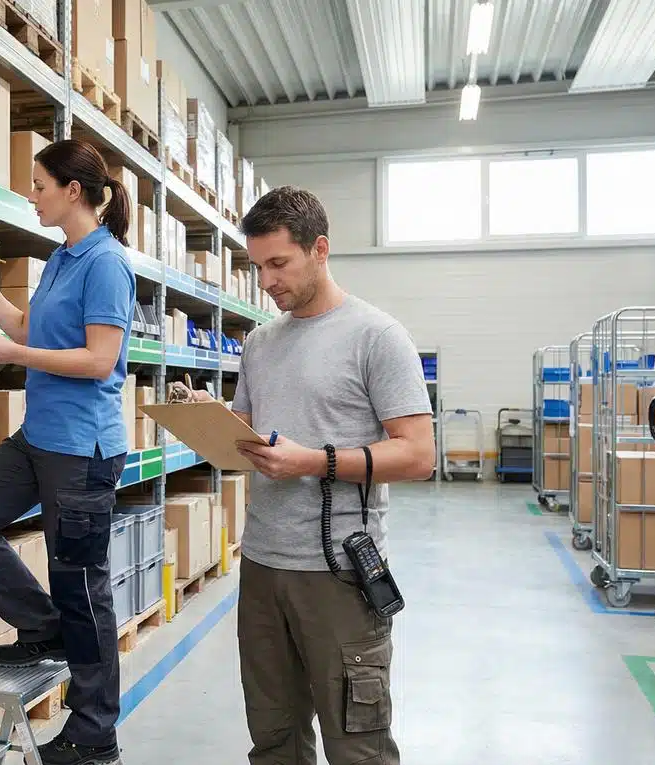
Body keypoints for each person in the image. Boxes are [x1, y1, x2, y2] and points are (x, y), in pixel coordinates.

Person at [186, 186, 434, 764]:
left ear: (319, 249)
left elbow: (418, 455)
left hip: (339, 572)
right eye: (257, 266)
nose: (267, 281)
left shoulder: (377, 337)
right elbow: (244, 431)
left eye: (279, 264)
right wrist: (203, 416)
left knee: (357, 745)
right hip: (264, 565)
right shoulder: (260, 342)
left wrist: (315, 461)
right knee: (274, 737)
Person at [0, 138, 136, 765]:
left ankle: (94, 735)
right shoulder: (60, 258)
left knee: (81, 584)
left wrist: (15, 357)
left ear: (73, 190)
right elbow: (25, 329)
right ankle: (43, 627)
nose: (32, 194)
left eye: (40, 185)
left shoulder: (107, 262)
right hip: (38, 437)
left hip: (83, 449)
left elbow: (100, 360)